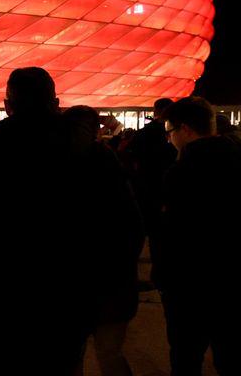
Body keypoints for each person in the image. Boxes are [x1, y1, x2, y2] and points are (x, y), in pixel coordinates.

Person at [0, 67, 143, 374]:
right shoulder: (94, 154)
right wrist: (101, 283)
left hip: (1, 301)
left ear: (7, 106)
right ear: (55, 103)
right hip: (70, 299)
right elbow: (129, 228)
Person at [157, 97, 241, 374]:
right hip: (231, 281)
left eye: (169, 131)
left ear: (185, 130)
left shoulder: (181, 173)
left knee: (185, 357)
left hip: (189, 284)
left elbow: (172, 234)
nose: (169, 139)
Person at [64, 106, 144, 376]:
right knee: (109, 353)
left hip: (71, 285)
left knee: (70, 357)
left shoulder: (53, 167)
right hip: (113, 283)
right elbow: (133, 228)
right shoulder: (111, 167)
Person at [122, 97, 176, 286]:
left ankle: (154, 272)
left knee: (151, 232)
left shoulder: (145, 133)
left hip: (147, 187)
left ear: (156, 111)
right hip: (168, 187)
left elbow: (132, 156)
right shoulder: (174, 133)